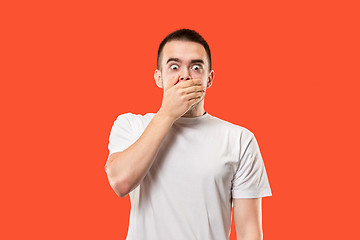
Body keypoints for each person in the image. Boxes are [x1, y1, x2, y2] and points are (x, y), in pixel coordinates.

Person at [104, 28, 272, 240]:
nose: (185, 75)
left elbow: (250, 232)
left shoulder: (240, 139)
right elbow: (120, 182)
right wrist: (167, 113)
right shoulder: (131, 125)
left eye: (196, 67)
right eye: (174, 66)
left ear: (209, 79)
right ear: (158, 77)